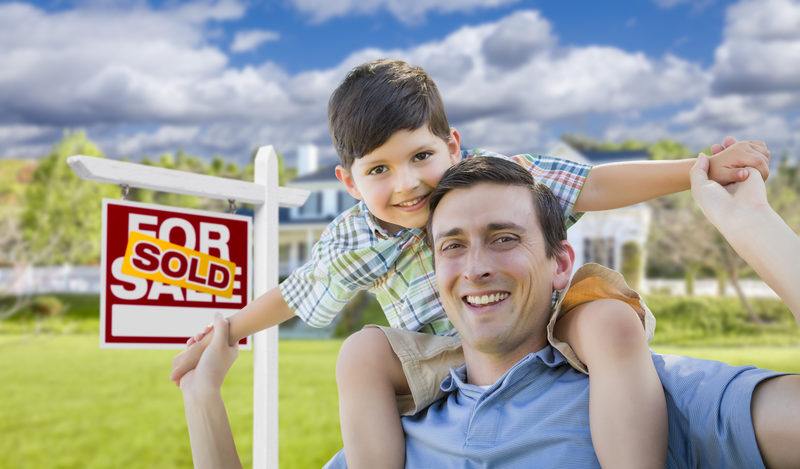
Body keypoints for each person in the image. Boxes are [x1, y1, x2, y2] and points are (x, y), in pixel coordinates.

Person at [172, 59, 771, 468]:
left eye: (420, 156)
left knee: (608, 322)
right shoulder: (354, 238)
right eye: (378, 170)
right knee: (360, 353)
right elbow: (296, 293)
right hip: (444, 351)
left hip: (549, 317)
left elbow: (595, 183)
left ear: (453, 146)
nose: (407, 184)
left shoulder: (502, 182)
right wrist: (224, 332)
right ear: (349, 183)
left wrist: (699, 169)